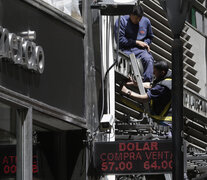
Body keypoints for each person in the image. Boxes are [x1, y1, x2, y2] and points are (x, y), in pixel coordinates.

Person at [121, 60, 172, 125]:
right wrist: (136, 84)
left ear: (162, 72)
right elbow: (151, 85)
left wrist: (127, 92)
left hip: (164, 121)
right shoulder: (167, 77)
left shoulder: (163, 87)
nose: (153, 73)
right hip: (162, 117)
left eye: (155, 71)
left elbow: (144, 98)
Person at [114, 5, 154, 82]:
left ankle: (147, 83)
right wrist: (137, 42)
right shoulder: (121, 21)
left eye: (140, 18)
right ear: (130, 15)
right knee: (129, 64)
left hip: (140, 50)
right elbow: (120, 40)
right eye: (135, 18)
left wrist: (145, 43)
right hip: (125, 50)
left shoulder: (146, 22)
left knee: (148, 59)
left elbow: (150, 37)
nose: (137, 20)